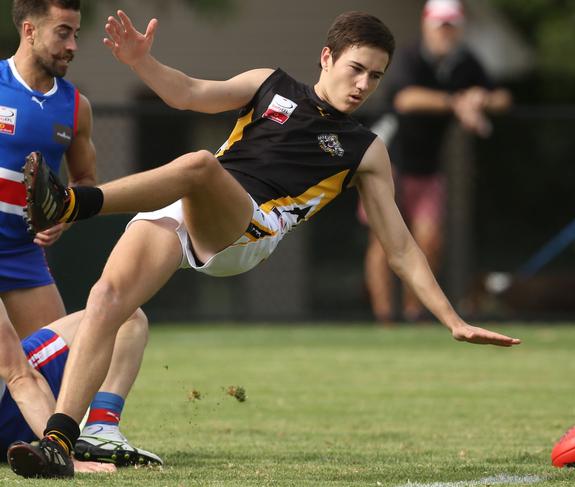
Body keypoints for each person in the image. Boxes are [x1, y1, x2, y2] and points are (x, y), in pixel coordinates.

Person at [10, 9, 521, 478]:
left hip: (249, 230)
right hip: (189, 205)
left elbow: (402, 248)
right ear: (327, 58)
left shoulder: (365, 149)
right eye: (356, 69)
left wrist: (452, 320)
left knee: (200, 165)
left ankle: (73, 204)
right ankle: (61, 442)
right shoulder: (269, 85)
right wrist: (143, 62)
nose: (363, 85)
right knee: (108, 301)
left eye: (375, 77)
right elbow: (187, 93)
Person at [361, 0, 512, 323]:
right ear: (427, 25)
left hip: (427, 167)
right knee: (382, 242)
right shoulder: (410, 56)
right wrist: (456, 102)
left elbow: (503, 97)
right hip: (387, 162)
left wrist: (480, 98)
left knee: (429, 241)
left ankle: (415, 316)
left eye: (452, 26)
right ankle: (385, 319)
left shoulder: (465, 62)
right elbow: (405, 98)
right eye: (441, 26)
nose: (446, 33)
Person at [0, 0, 97, 339]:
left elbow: (85, 181)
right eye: (63, 33)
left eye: (75, 34)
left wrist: (64, 217)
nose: (72, 46)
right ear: (30, 31)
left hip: (23, 254)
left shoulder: (76, 107)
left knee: (59, 364)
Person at [1, 302, 163, 477]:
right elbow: (19, 378)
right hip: (15, 405)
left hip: (18, 403)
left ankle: (92, 429)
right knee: (128, 315)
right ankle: (99, 427)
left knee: (126, 314)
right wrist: (60, 452)